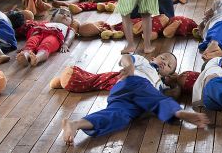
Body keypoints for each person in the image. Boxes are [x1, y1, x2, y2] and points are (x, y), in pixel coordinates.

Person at [61, 53, 209, 142]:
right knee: (155, 97)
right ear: (153, 58)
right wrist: (130, 66)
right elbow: (125, 58)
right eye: (163, 58)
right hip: (132, 82)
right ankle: (179, 113)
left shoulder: (162, 85)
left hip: (133, 103)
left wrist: (174, 82)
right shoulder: (143, 63)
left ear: (169, 74)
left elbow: (174, 94)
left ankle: (76, 124)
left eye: (169, 65)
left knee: (119, 117)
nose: (165, 62)